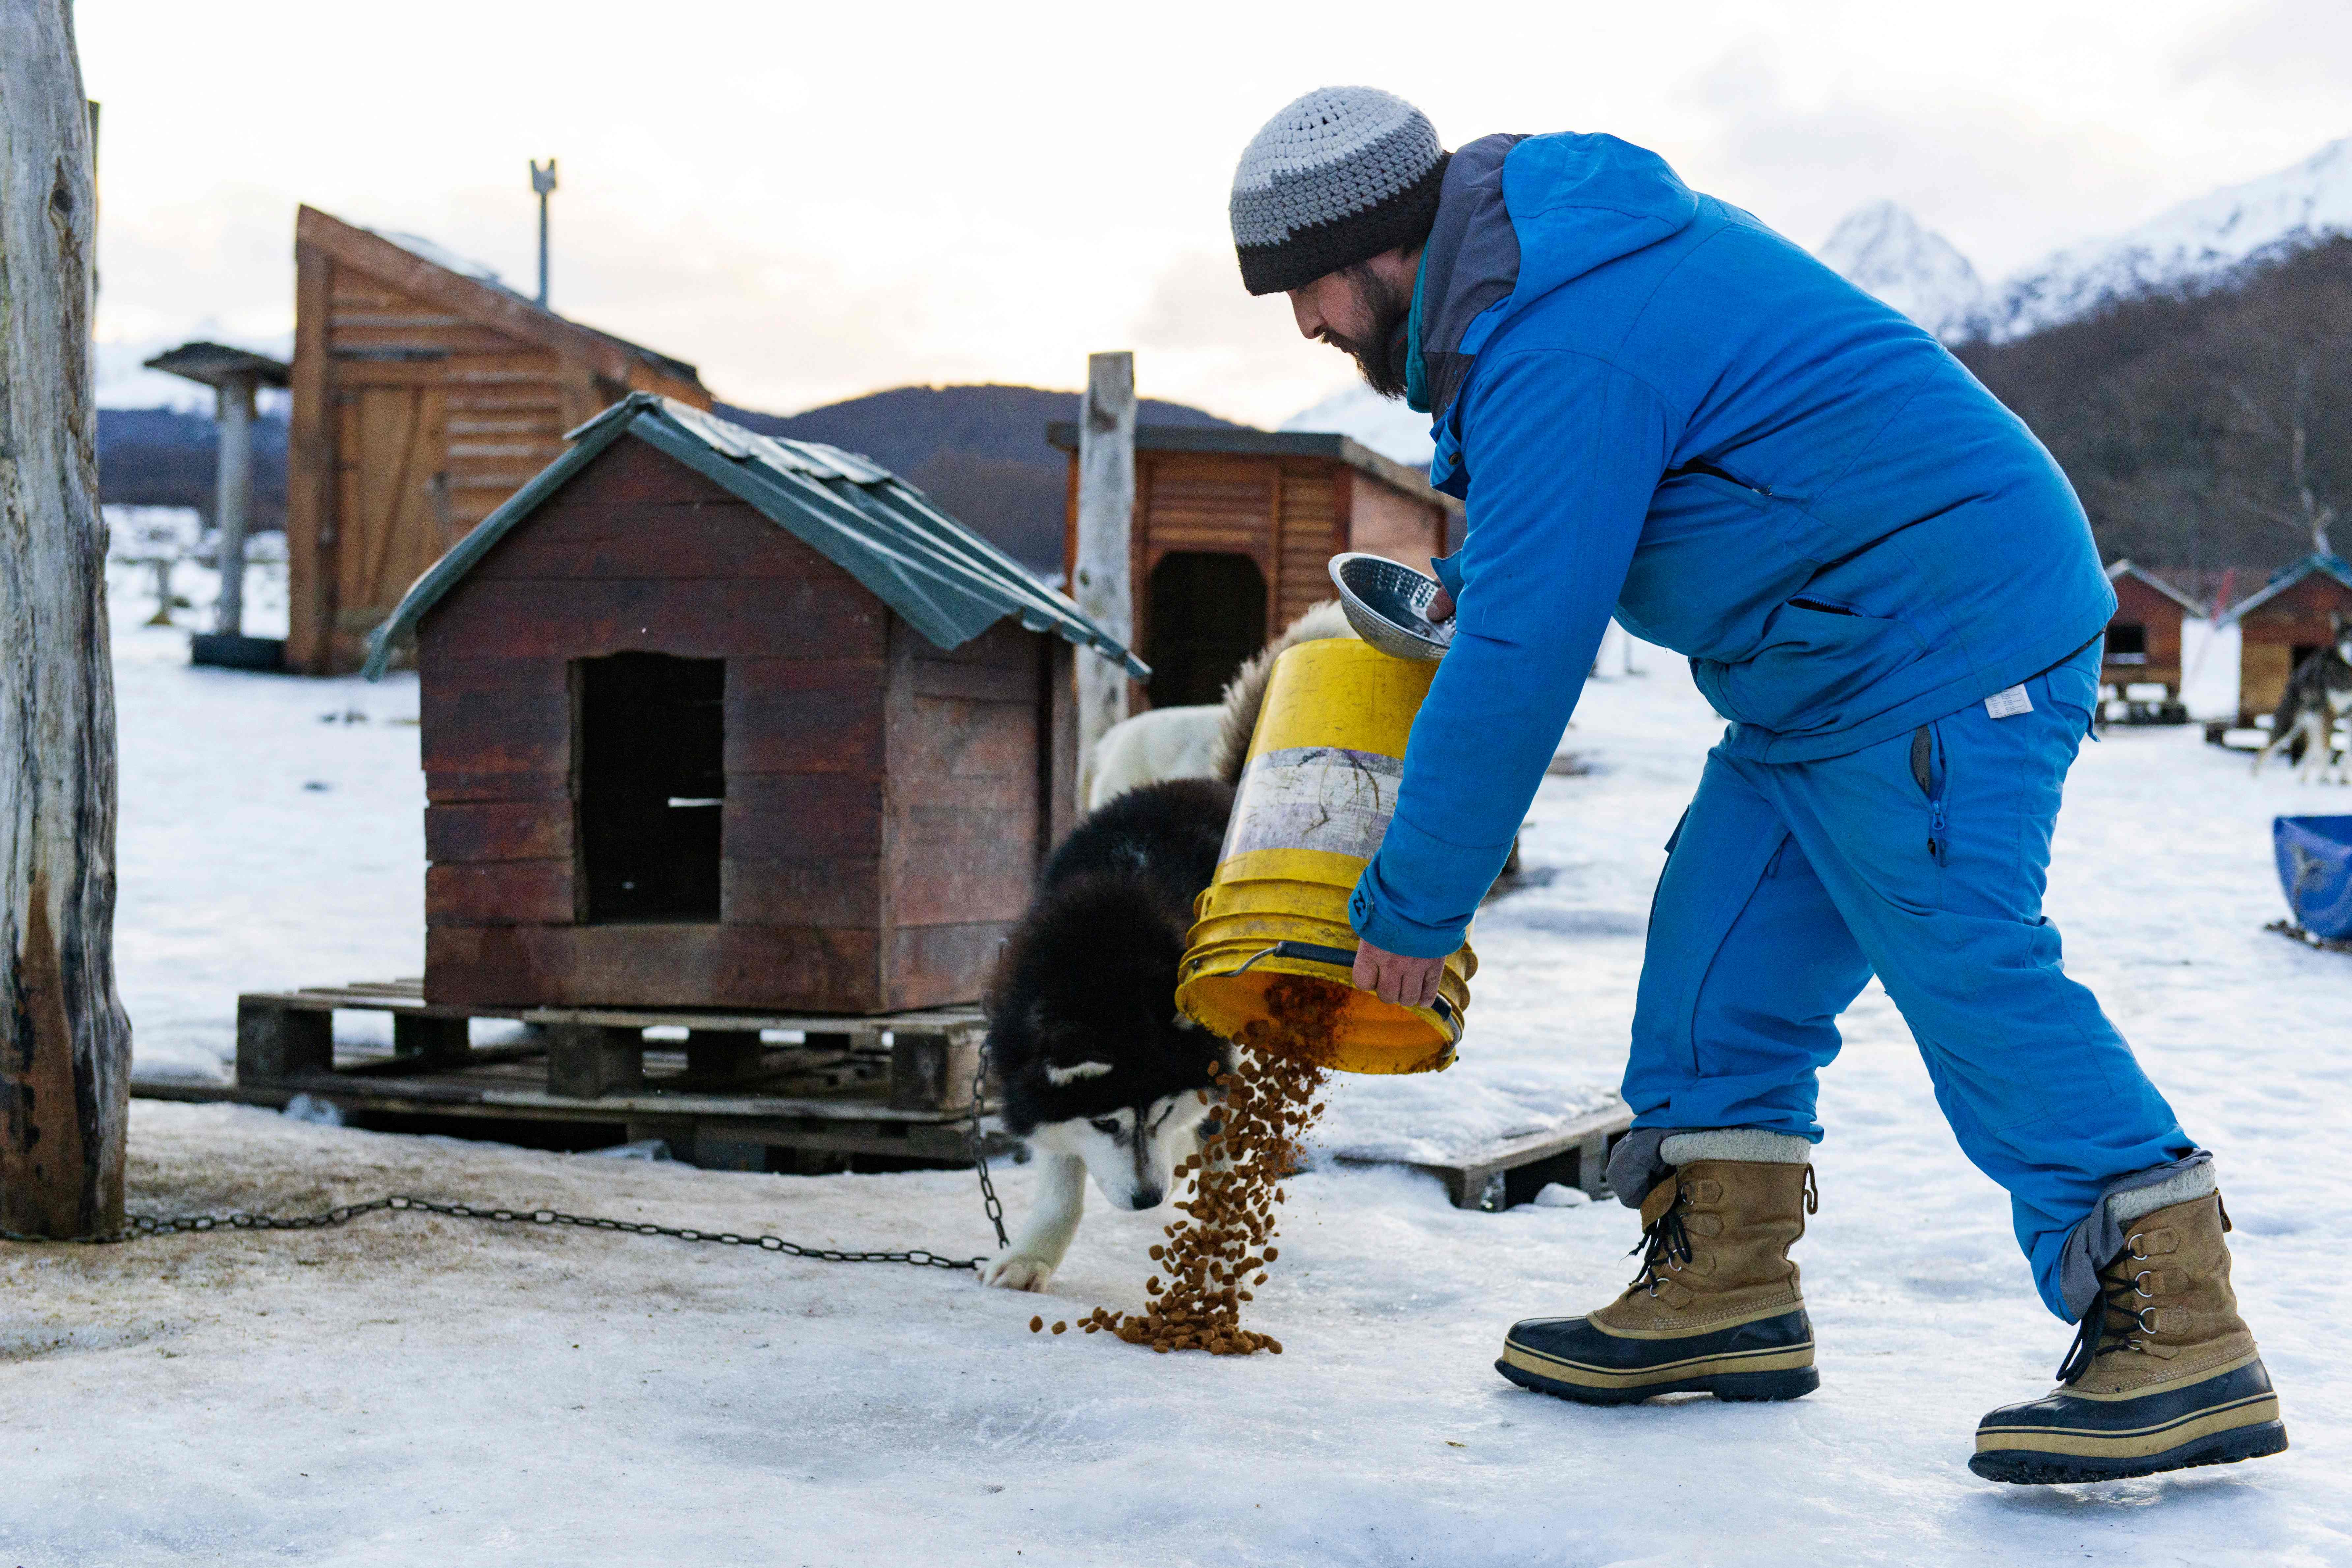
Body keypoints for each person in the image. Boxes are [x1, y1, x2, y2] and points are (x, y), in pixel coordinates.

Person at [1228, 86, 2284, 1484]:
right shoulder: (1535, 306)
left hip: (1944, 634)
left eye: (1305, 287)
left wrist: (1414, 904)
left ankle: (2177, 1313)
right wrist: (1474, 591)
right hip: (1818, 667)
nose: (1304, 322)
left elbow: (1529, 654)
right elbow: (1576, 534)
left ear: (1375, 249)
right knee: (1715, 958)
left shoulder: (1562, 335)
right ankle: (1723, 1284)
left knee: (1964, 956)